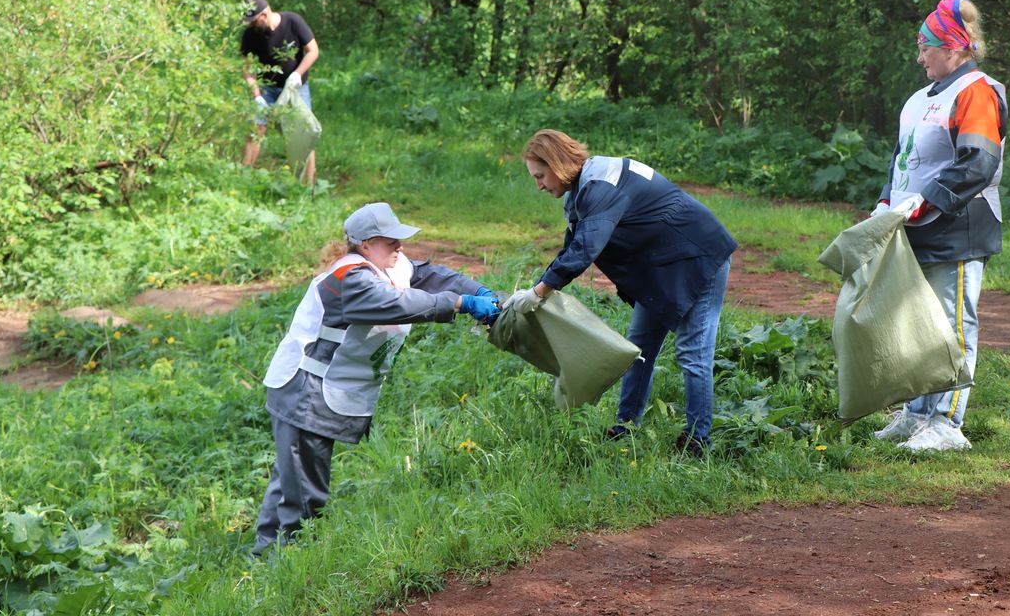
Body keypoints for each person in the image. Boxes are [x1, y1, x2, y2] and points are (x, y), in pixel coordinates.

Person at [251, 202, 500, 556]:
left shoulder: (388, 265)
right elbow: (396, 304)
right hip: (304, 394)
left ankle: (268, 559)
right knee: (303, 492)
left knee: (291, 482)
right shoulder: (348, 279)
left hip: (321, 393)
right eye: (390, 241)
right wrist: (459, 303)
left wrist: (479, 291)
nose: (399, 247)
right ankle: (286, 566)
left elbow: (432, 275)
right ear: (365, 244)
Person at [505, 130, 737, 458]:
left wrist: (540, 291)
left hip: (698, 256)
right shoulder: (580, 191)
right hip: (661, 268)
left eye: (540, 176)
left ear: (557, 165)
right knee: (638, 350)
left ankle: (698, 441)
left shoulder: (600, 185)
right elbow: (571, 246)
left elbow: (586, 249)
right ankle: (625, 428)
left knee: (692, 352)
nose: (539, 185)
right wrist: (536, 289)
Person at [871, 0, 1008, 452]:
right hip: (916, 227)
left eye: (925, 46)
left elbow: (977, 163)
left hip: (959, 228)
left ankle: (948, 422)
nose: (919, 56)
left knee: (951, 325)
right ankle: (917, 414)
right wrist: (886, 202)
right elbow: (903, 160)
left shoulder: (977, 91)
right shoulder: (918, 99)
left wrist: (925, 203)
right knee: (920, 325)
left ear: (952, 48)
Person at [240, 0, 320, 185]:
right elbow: (246, 68)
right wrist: (257, 96)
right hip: (267, 88)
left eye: (253, 21)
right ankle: (244, 177)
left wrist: (298, 74)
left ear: (264, 14)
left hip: (295, 88)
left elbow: (313, 50)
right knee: (255, 127)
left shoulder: (293, 21)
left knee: (303, 131)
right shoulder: (250, 34)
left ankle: (307, 186)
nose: (251, 25)